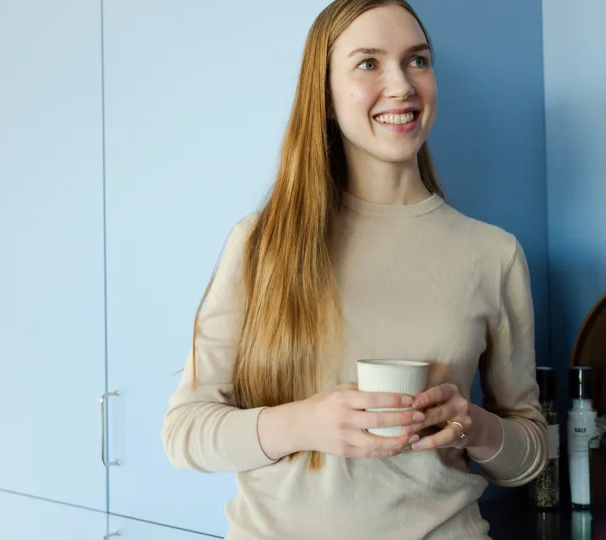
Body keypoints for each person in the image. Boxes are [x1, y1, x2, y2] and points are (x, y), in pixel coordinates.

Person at [161, 1, 547, 538]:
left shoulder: (493, 253)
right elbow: (184, 432)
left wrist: (471, 426)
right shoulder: (262, 244)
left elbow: (529, 455)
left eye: (417, 60)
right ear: (324, 95)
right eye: (369, 63)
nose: (402, 86)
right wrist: (306, 424)